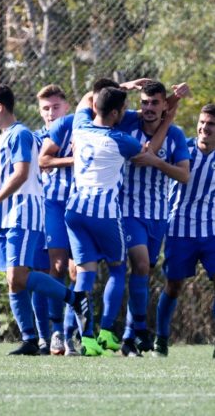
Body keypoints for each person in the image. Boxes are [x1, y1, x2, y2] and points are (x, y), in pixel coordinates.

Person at [0, 85, 91, 356]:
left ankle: (74, 298)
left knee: (17, 275)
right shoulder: (5, 138)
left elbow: (21, 175)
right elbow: (2, 181)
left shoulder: (20, 134)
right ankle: (31, 340)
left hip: (22, 214)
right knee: (14, 281)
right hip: (3, 217)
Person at [66, 86, 143, 356]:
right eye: (123, 109)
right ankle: (107, 332)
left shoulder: (80, 126)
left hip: (74, 210)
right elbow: (146, 152)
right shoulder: (122, 140)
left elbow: (83, 100)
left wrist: (120, 88)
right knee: (118, 269)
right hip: (105, 214)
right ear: (115, 113)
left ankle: (86, 339)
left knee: (84, 275)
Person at [117, 81, 191, 357]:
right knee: (140, 264)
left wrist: (158, 162)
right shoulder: (128, 124)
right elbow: (100, 101)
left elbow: (184, 175)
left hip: (158, 214)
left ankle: (129, 337)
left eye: (155, 103)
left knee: (143, 272)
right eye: (144, 102)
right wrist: (124, 86)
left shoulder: (176, 135)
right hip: (128, 210)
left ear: (164, 105)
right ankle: (140, 328)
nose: (148, 108)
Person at [153, 103, 215, 358]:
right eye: (202, 122)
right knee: (174, 285)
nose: (204, 128)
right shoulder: (183, 148)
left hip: (211, 230)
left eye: (211, 124)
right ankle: (161, 339)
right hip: (179, 229)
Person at [36, 84, 77, 355]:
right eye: (46, 109)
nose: (51, 113)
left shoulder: (81, 128)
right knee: (57, 266)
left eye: (55, 107)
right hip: (53, 206)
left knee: (79, 271)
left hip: (83, 206)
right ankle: (56, 332)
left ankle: (75, 332)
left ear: (67, 107)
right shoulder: (38, 137)